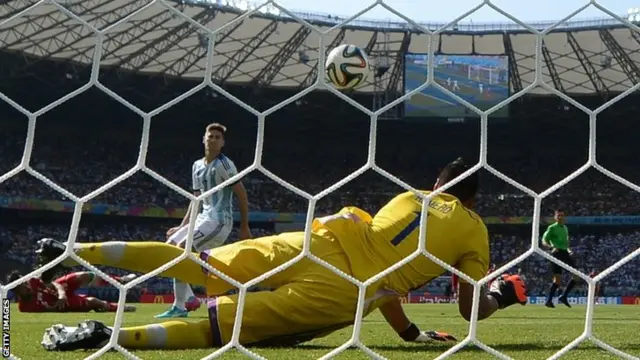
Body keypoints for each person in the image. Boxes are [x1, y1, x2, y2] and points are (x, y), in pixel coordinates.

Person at [37, 158, 528, 351]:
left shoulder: (406, 197)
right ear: (473, 198)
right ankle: (111, 335)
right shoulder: (475, 231)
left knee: (195, 264)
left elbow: (385, 270)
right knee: (221, 326)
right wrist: (502, 294)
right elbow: (467, 307)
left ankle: (75, 249)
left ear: (437, 184)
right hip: (342, 293)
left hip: (318, 241)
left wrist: (409, 332)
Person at [154, 122, 252, 318]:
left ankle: (180, 306)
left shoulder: (225, 165)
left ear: (222, 143)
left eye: (217, 137)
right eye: (210, 136)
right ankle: (189, 298)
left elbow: (241, 194)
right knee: (170, 248)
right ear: (204, 139)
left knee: (183, 249)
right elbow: (196, 199)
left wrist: (244, 226)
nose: (213, 140)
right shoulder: (197, 166)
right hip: (201, 219)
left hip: (219, 222)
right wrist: (182, 226)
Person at [7, 270, 136, 313]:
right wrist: (58, 305)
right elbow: (47, 310)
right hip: (62, 304)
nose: (27, 286)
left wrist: (62, 294)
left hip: (60, 292)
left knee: (83, 275)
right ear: (17, 291)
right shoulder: (24, 307)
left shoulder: (33, 281)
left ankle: (120, 280)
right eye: (23, 286)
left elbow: (54, 283)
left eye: (25, 282)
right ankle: (121, 308)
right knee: (93, 302)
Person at [541, 209, 578, 308]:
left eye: (562, 215)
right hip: (556, 254)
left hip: (565, 253)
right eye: (558, 215)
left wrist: (569, 250)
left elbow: (566, 243)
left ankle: (564, 296)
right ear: (555, 217)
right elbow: (544, 240)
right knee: (557, 280)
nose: (560, 217)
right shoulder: (552, 228)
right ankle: (549, 301)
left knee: (577, 275)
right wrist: (551, 247)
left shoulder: (565, 228)